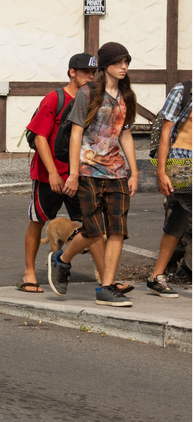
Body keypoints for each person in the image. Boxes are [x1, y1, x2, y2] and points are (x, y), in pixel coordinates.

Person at [48, 42, 139, 307]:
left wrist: (133, 172)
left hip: (117, 172)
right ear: (105, 66)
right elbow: (76, 133)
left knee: (118, 230)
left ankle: (106, 287)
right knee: (92, 230)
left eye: (126, 62)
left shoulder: (127, 96)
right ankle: (62, 260)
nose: (124, 67)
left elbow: (125, 133)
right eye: (119, 62)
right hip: (88, 171)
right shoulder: (87, 94)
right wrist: (73, 174)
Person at [21, 53, 96, 293]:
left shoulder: (94, 100)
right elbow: (40, 137)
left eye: (94, 73)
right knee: (38, 221)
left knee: (91, 224)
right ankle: (29, 273)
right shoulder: (55, 98)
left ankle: (102, 277)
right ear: (72, 72)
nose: (91, 77)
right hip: (48, 174)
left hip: (79, 174)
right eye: (86, 72)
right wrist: (53, 173)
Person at [147, 77, 192, 295]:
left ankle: (156, 275)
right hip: (181, 164)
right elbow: (166, 131)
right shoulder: (183, 91)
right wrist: (161, 171)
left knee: (178, 220)